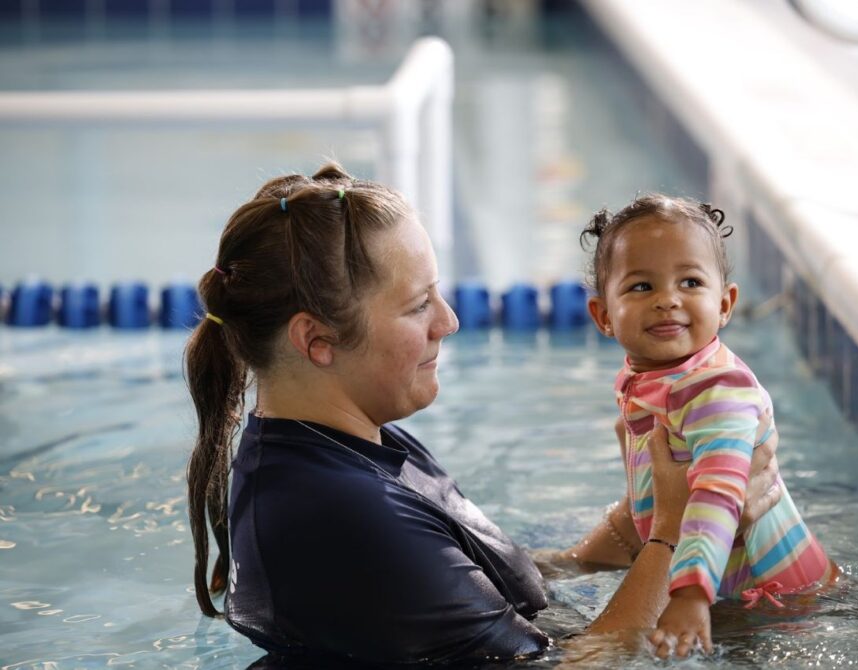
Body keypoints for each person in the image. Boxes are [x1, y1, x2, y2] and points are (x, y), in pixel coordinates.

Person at [183, 163, 783, 667]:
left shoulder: (353, 445)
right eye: (419, 305)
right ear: (317, 340)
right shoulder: (339, 515)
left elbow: (484, 586)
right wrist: (674, 534)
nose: (450, 321)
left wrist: (642, 518)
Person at [580, 194, 835, 660]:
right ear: (603, 316)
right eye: (641, 287)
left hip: (783, 602)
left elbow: (718, 495)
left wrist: (690, 595)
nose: (668, 300)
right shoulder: (652, 379)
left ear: (724, 304)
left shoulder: (720, 390)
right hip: (731, 587)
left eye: (690, 281)